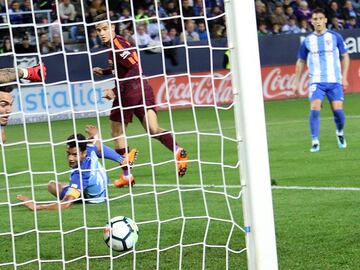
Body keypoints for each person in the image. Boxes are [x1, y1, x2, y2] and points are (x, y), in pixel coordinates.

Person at [92, 14, 189, 187]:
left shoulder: (116, 45)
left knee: (116, 132)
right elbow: (126, 66)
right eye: (99, 30)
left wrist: (114, 91)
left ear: (113, 28)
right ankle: (178, 150)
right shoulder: (121, 42)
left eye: (105, 29)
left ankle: (127, 175)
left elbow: (132, 68)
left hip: (129, 91)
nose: (102, 33)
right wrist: (106, 71)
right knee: (153, 129)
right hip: (144, 88)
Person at [16, 126, 138, 211]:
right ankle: (123, 159)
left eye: (74, 154)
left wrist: (37, 206)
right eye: (68, 153)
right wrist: (96, 136)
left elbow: (65, 204)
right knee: (97, 148)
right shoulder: (89, 149)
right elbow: (98, 146)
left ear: (83, 153)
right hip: (102, 190)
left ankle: (77, 191)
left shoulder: (79, 175)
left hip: (93, 199)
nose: (70, 158)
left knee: (52, 185)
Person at [293, 8, 350, 152]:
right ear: (311, 22)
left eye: (320, 18)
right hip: (316, 81)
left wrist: (344, 77)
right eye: (315, 19)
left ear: (325, 20)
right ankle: (315, 140)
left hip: (334, 80)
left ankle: (340, 132)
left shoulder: (335, 36)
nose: (318, 21)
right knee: (315, 108)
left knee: (338, 111)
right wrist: (296, 81)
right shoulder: (307, 40)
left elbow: (345, 56)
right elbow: (300, 61)